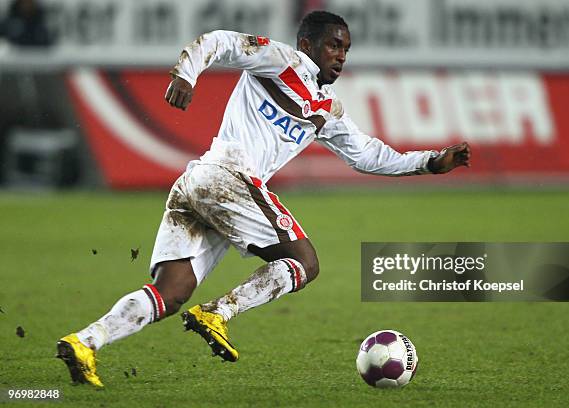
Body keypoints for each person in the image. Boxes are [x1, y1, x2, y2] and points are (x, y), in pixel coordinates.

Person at [56, 10, 471, 387]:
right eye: (333, 45)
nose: (341, 56)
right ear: (307, 44)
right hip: (229, 177)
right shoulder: (281, 61)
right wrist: (186, 73)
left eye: (346, 48)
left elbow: (368, 155)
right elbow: (219, 40)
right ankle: (218, 312)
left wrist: (432, 161)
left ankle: (84, 342)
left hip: (199, 185)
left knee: (172, 291)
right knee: (305, 263)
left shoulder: (327, 109)